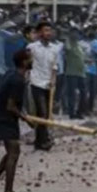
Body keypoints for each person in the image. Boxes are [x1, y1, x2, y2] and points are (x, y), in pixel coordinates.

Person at [0, 48, 33, 192]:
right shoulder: (17, 80)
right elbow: (11, 106)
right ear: (24, 62)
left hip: (3, 116)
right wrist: (26, 118)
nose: (33, 61)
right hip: (6, 118)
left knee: (11, 152)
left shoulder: (12, 74)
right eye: (31, 58)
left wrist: (23, 113)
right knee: (14, 152)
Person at [25, 22, 62, 151]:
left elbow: (55, 67)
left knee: (45, 114)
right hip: (36, 82)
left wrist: (53, 80)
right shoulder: (32, 47)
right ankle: (45, 140)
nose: (48, 33)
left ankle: (39, 141)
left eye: (49, 31)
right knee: (42, 111)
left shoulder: (54, 48)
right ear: (40, 33)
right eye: (46, 30)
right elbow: (27, 64)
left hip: (49, 84)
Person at [62, 28, 87, 120]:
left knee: (83, 93)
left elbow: (81, 58)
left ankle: (80, 112)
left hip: (81, 73)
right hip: (71, 72)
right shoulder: (68, 43)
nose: (76, 35)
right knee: (71, 94)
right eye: (74, 33)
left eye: (77, 33)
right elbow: (67, 49)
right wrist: (68, 37)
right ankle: (71, 113)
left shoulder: (79, 45)